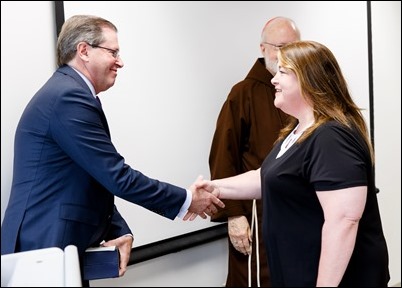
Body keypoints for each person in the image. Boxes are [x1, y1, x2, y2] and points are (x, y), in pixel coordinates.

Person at [1, 14, 224, 283]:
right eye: (113, 52)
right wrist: (186, 200)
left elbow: (94, 177)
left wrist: (120, 231)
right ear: (84, 50)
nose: (120, 61)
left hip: (55, 249)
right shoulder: (67, 97)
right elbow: (117, 176)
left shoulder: (69, 92)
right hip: (43, 250)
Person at [195, 40, 390, 287]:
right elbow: (265, 176)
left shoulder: (331, 137)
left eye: (283, 72)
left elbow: (344, 221)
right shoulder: (299, 129)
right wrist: (215, 188)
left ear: (309, 80)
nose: (274, 80)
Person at [208, 17, 300, 287]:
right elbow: (223, 157)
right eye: (279, 47)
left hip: (297, 212)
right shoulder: (243, 94)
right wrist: (234, 215)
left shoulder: (307, 90)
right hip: (257, 215)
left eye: (293, 47)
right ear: (262, 48)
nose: (286, 55)